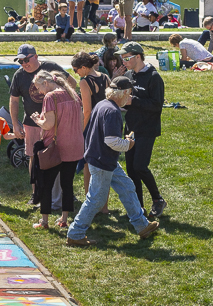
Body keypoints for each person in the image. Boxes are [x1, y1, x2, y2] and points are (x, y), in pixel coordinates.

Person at [66, 77, 161, 246]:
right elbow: (111, 142)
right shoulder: (113, 111)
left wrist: (121, 140)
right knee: (95, 200)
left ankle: (142, 226)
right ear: (123, 93)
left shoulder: (103, 104)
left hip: (102, 159)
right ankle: (75, 233)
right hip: (103, 162)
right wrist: (129, 144)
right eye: (129, 93)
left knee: (127, 186)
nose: (130, 97)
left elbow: (106, 137)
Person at [9, 44, 67, 205]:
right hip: (32, 123)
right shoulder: (19, 75)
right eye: (20, 61)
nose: (24, 64)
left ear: (35, 56)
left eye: (26, 60)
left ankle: (62, 192)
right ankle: (36, 194)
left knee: (57, 155)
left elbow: (71, 83)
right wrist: (15, 123)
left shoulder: (50, 67)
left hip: (55, 122)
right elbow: (13, 100)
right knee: (33, 157)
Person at [30, 70, 84, 229]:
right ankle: (64, 219)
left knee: (46, 184)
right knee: (67, 184)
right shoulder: (72, 93)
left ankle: (44, 221)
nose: (39, 92)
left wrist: (36, 120)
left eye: (39, 88)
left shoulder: (50, 97)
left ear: (46, 83)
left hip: (56, 147)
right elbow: (81, 121)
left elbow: (48, 124)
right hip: (75, 145)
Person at [118, 42, 167, 218]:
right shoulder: (129, 75)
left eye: (126, 58)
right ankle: (138, 207)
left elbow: (157, 105)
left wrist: (134, 102)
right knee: (131, 169)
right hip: (131, 128)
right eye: (122, 58)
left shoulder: (153, 77)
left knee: (140, 166)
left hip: (147, 129)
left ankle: (158, 199)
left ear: (138, 57)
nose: (123, 61)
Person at [73, 51, 111, 212]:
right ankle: (104, 206)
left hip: (93, 126)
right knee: (105, 166)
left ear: (83, 67)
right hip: (107, 123)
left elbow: (87, 111)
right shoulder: (104, 76)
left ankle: (90, 205)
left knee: (89, 165)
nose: (75, 73)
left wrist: (80, 132)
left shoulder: (85, 81)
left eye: (75, 70)